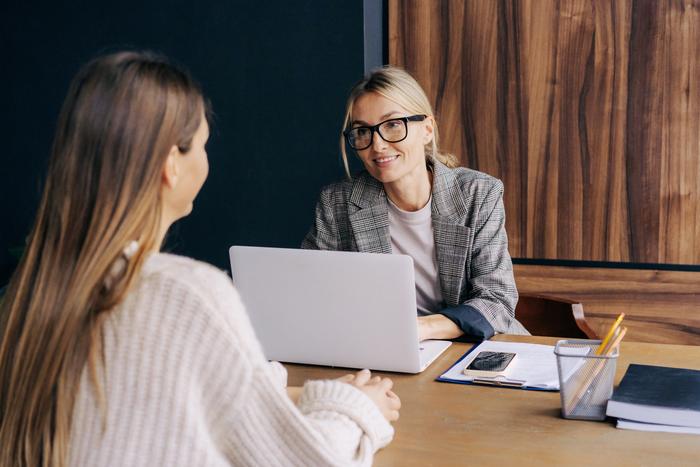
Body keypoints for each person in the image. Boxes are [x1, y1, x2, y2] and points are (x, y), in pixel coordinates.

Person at [0, 51, 399, 467]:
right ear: (171, 163)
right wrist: (355, 408)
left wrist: (284, 391)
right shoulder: (184, 294)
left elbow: (162, 400)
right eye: (203, 145)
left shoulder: (30, 294)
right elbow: (310, 460)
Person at [303, 66, 528, 342]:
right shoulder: (337, 202)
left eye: (393, 124)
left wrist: (420, 329)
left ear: (427, 129)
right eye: (363, 131)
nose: (378, 144)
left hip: (475, 346)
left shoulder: (478, 193)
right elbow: (313, 293)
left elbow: (497, 301)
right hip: (383, 350)